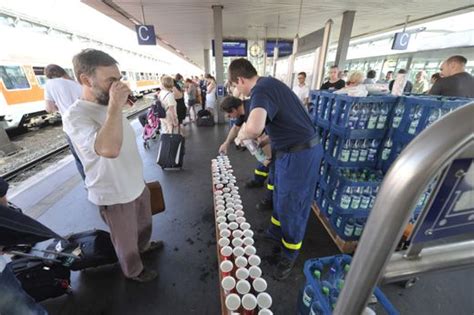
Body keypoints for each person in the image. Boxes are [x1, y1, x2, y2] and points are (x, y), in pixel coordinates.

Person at [62, 49, 162, 282]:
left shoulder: (106, 103)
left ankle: (144, 247)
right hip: (114, 193)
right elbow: (109, 149)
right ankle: (134, 270)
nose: (117, 85)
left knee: (144, 224)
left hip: (135, 182)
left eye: (118, 78)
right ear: (86, 80)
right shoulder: (75, 115)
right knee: (125, 240)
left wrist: (115, 103)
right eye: (111, 80)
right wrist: (115, 106)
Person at [228, 58, 323, 280]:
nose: (236, 90)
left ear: (240, 79)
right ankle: (276, 232)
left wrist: (243, 136)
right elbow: (283, 122)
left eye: (234, 85)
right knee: (280, 193)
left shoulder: (261, 90)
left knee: (293, 204)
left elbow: (253, 127)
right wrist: (264, 142)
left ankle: (290, 253)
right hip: (288, 151)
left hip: (300, 156)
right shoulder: (269, 86)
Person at [218, 96, 274, 211]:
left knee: (274, 169)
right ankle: (258, 180)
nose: (230, 118)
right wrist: (226, 143)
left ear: (234, 110)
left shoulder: (255, 110)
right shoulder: (242, 111)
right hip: (265, 136)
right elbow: (235, 128)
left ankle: (270, 200)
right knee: (263, 159)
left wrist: (265, 151)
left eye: (229, 115)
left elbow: (273, 135)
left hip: (279, 138)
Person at [43, 64, 85, 181]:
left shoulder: (49, 85)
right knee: (90, 153)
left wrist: (59, 106)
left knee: (79, 157)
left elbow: (49, 108)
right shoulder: (75, 83)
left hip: (70, 126)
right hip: (85, 121)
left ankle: (89, 184)